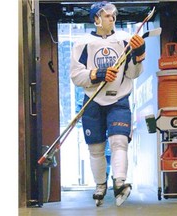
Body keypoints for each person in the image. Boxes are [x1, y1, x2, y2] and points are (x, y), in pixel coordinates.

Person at [70, 1, 146, 207]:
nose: (111, 18)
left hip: (119, 98)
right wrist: (98, 74)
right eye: (106, 15)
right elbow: (76, 76)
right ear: (96, 19)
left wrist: (138, 57)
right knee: (95, 147)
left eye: (113, 15)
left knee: (119, 141)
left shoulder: (125, 40)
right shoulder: (82, 43)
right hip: (93, 100)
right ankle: (100, 184)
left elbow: (133, 73)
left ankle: (120, 181)